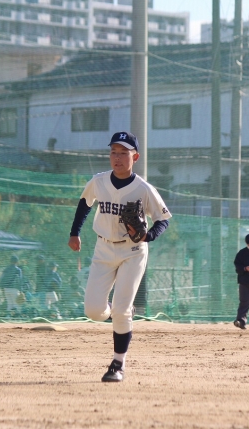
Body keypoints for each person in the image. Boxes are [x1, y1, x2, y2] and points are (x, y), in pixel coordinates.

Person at [68, 131, 172, 383]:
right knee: (94, 311)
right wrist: (74, 233)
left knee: (122, 310)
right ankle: (119, 311)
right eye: (113, 152)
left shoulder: (144, 188)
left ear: (135, 157)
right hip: (103, 249)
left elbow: (163, 219)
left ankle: (117, 364)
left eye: (124, 153)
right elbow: (85, 204)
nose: (117, 157)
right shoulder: (99, 181)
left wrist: (148, 236)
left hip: (133, 252)